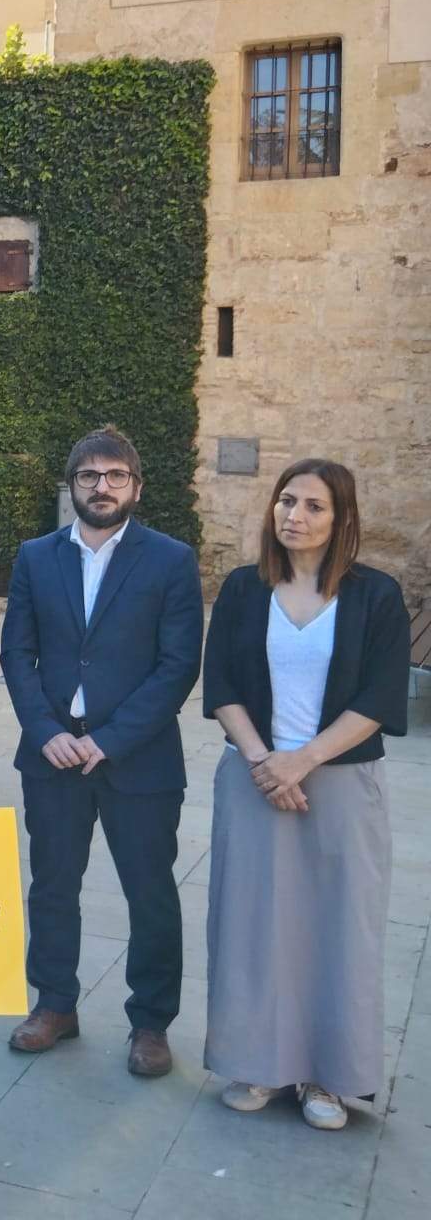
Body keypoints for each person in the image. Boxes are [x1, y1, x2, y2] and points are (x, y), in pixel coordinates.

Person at [202, 460, 409, 1130]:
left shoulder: (376, 596)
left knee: (336, 929)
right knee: (254, 928)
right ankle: (260, 1064)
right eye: (286, 501)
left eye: (314, 506)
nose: (294, 515)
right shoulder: (242, 589)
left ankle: (326, 1077)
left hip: (341, 784)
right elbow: (222, 683)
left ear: (341, 517)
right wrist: (266, 762)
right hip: (253, 779)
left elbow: (380, 697)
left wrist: (304, 761)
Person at [0, 424, 202, 1077]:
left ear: (136, 487)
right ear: (72, 485)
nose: (102, 485)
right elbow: (18, 655)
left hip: (138, 761)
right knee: (53, 886)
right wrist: (44, 730)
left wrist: (110, 740)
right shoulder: (36, 557)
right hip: (53, 756)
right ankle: (55, 1004)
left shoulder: (170, 561)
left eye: (116, 475)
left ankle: (150, 1024)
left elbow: (177, 667)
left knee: (149, 894)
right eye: (90, 475)